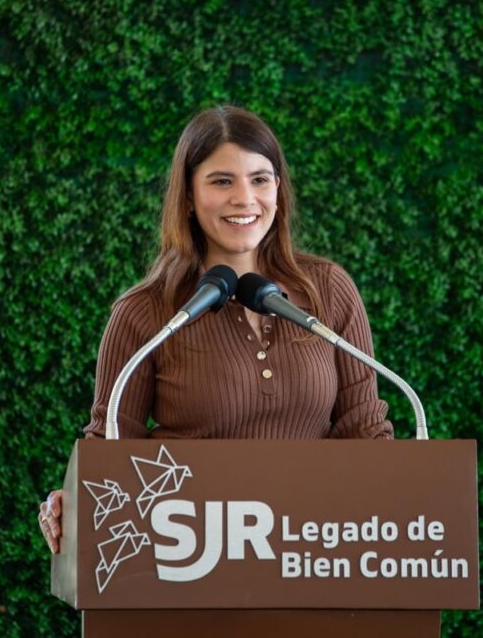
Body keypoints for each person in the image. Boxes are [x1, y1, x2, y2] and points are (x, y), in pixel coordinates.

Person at [38, 105, 392, 553]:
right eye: (222, 181)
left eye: (259, 179)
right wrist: (75, 499)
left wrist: (408, 491)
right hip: (192, 557)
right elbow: (111, 446)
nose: (244, 198)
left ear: (278, 189)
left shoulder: (329, 290)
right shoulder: (144, 312)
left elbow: (364, 431)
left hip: (311, 550)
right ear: (188, 196)